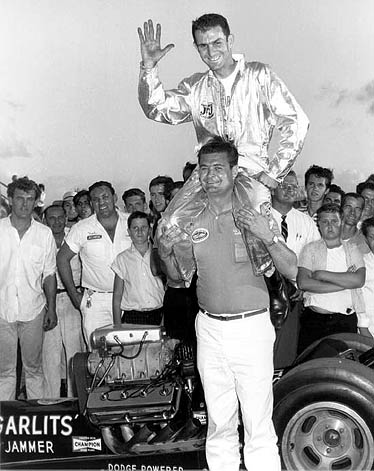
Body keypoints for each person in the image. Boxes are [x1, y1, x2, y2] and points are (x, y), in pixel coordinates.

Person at [157, 138, 297, 471]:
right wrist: (164, 252)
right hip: (208, 328)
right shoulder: (190, 218)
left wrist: (267, 235)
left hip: (250, 327)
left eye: (218, 168)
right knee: (219, 424)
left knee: (257, 424)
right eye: (203, 170)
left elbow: (291, 267)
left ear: (235, 171)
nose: (210, 176)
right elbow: (178, 278)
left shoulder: (255, 211)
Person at [138, 13, 309, 278]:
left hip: (250, 172)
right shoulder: (195, 86)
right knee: (170, 224)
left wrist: (274, 173)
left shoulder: (258, 75)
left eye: (217, 42)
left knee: (254, 222)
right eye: (203, 45)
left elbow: (296, 120)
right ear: (196, 48)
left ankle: (272, 283)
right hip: (208, 173)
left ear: (230, 40)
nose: (211, 51)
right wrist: (149, 68)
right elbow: (157, 108)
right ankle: (192, 281)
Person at [0, 177, 57, 400]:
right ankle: (3, 426)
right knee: (4, 372)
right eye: (20, 199)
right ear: (10, 200)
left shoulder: (44, 234)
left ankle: (36, 419)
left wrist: (51, 309)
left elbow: (49, 274)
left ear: (36, 202)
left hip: (33, 311)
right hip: (2, 312)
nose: (25, 204)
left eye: (30, 199)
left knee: (33, 369)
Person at [57, 181, 131, 348]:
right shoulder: (82, 228)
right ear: (91, 203)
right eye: (96, 199)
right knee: (98, 357)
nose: (101, 202)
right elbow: (62, 259)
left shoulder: (130, 222)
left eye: (105, 197)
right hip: (96, 301)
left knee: (132, 353)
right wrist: (74, 295)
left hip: (130, 299)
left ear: (114, 198)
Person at [297, 203, 366, 354]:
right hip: (314, 320)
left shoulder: (352, 249)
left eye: (334, 221)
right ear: (318, 224)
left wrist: (321, 275)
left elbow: (359, 281)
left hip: (344, 321)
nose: (330, 226)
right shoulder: (310, 249)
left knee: (343, 370)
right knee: (309, 370)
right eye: (325, 222)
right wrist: (345, 282)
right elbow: (303, 283)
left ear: (341, 222)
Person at [271, 170, 320, 366]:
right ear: (272, 189)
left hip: (293, 295)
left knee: (285, 353)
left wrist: (303, 286)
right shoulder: (260, 217)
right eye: (283, 185)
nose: (289, 189)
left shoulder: (305, 222)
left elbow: (316, 258)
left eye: (293, 186)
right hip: (262, 294)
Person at [42, 204, 85, 397]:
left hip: (72, 298)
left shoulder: (75, 236)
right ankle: (51, 401)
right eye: (52, 218)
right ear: (45, 220)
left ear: (67, 218)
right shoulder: (41, 239)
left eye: (61, 217)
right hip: (48, 300)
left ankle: (74, 400)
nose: (57, 222)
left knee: (74, 351)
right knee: (49, 355)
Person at [112, 211, 164, 326]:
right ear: (129, 232)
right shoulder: (122, 259)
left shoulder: (160, 255)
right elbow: (117, 295)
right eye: (135, 228)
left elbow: (167, 289)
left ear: (150, 231)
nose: (139, 232)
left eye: (144, 227)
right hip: (132, 317)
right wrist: (117, 326)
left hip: (158, 314)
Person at [361, 217, 374, 337]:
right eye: (372, 237)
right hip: (369, 330)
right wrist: (363, 327)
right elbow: (356, 296)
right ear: (365, 239)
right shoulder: (361, 263)